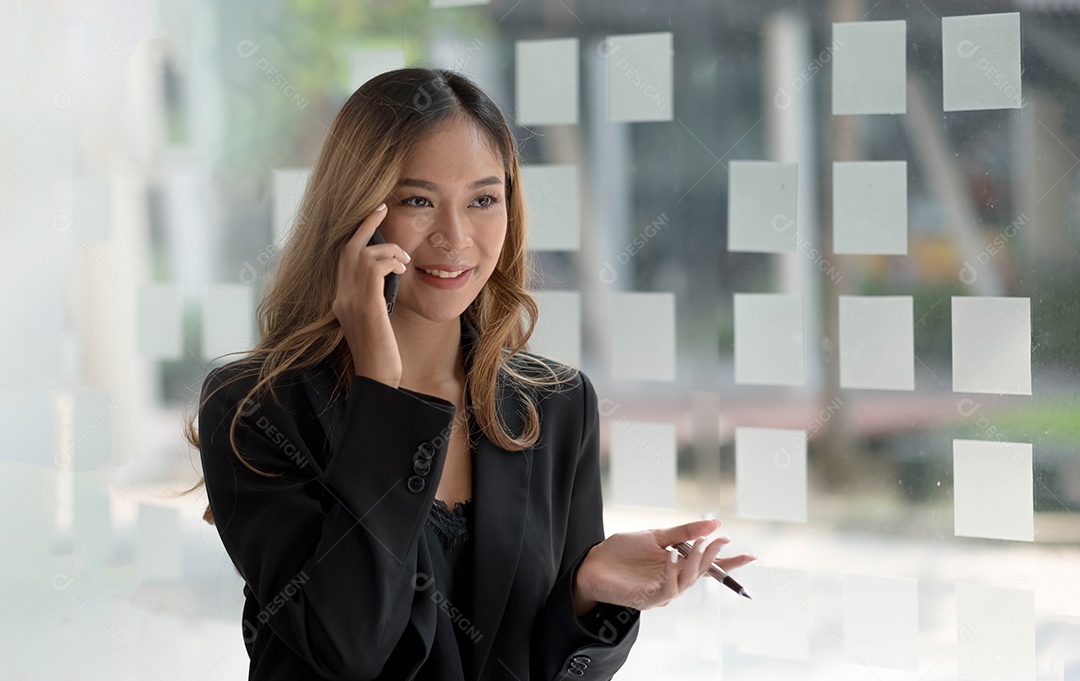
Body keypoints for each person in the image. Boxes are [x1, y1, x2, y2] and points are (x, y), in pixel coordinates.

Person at [182, 67, 754, 680]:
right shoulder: (256, 408)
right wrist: (379, 389)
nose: (455, 238)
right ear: (355, 217)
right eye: (418, 201)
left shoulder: (556, 405)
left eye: (483, 200)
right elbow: (346, 646)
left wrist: (586, 597)